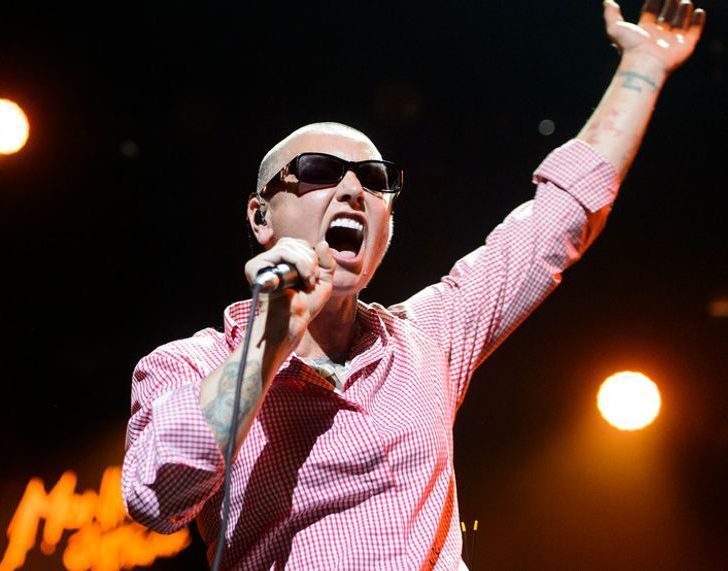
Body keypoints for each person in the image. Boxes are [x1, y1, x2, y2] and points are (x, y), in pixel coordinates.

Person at [122, 1, 706, 569]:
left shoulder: (428, 339)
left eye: (376, 181)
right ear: (260, 217)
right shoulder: (188, 365)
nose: (353, 191)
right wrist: (271, 336)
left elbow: (559, 215)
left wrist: (643, 66)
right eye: (320, 172)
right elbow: (157, 499)